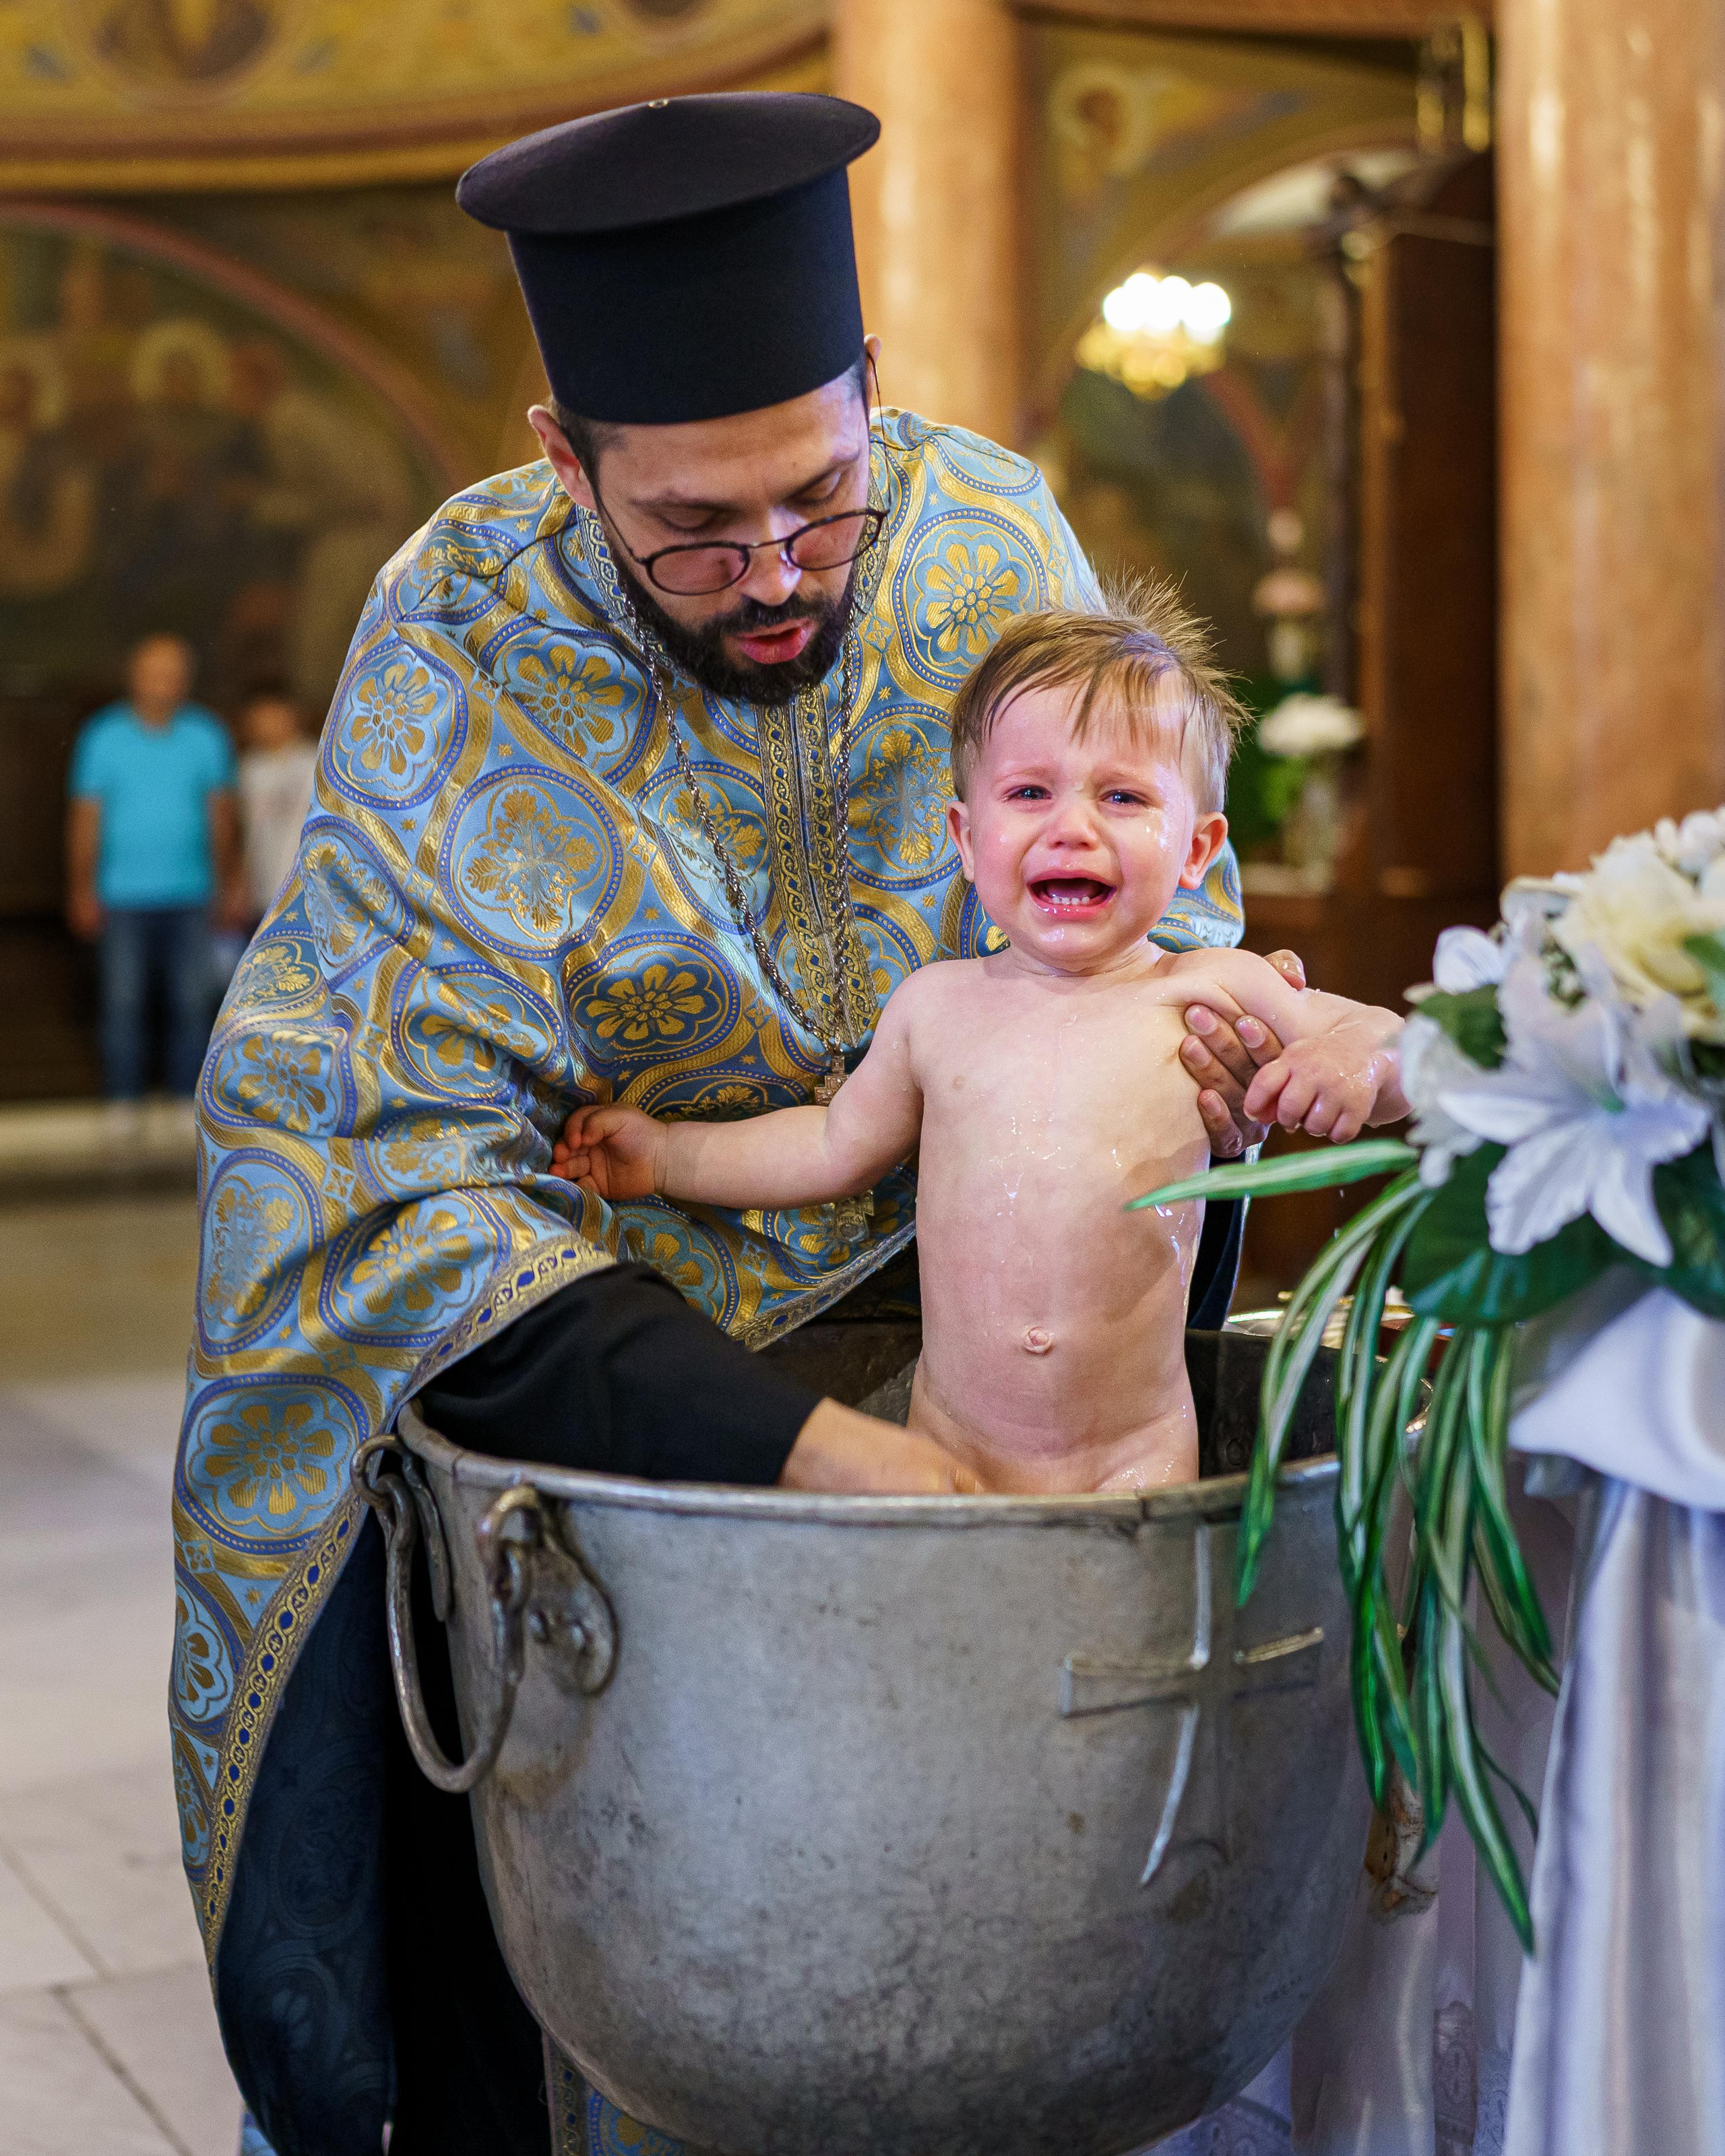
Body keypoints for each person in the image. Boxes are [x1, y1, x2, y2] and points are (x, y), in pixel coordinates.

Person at [175, 94, 1298, 2156]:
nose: (776, 573)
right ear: (561, 457)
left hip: (947, 1325)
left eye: (817, 498)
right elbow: (385, 1165)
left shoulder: (984, 537)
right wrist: (848, 1468)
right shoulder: (460, 623)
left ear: (871, 395)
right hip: (588, 1382)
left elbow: (1168, 929)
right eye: (691, 528)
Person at [555, 595, 1407, 1494]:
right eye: (1030, 793)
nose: (1072, 826)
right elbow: (830, 1146)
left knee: (1126, 1636)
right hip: (945, 1454)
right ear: (966, 839)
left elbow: (1380, 1039)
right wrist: (667, 1157)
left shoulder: (1208, 988)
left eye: (1122, 796)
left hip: (1135, 1463)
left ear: (1196, 850)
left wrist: (1358, 1065)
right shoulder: (937, 1010)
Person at [66, 631, 243, 1113]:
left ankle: (189, 1100)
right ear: (134, 677)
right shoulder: (101, 737)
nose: (165, 682)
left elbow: (223, 821)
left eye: (175, 673)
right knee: (122, 1005)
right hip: (120, 895)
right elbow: (85, 820)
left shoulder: (207, 735)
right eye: (155, 671)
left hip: (192, 893)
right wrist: (81, 889)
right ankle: (123, 1101)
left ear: (187, 680)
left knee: (192, 1004)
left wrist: (230, 886)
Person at [232, 680, 318, 926]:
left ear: (293, 716)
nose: (267, 725)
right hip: (263, 891)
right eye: (259, 718)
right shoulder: (248, 769)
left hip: (309, 889)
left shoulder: (315, 762)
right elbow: (246, 831)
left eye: (274, 715)